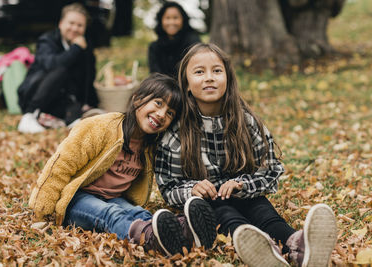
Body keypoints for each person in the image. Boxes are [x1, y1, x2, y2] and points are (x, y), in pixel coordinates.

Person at [154, 43, 337, 266]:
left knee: (264, 212)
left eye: (217, 71)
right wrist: (192, 189)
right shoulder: (176, 131)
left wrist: (242, 185)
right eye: (199, 72)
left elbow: (270, 171)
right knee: (226, 215)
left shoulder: (246, 122)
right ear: (187, 85)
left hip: (246, 194)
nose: (209, 77)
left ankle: (299, 245)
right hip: (209, 203)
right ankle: (263, 252)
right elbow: (168, 186)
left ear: (228, 79)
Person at [28, 73, 216, 256]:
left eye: (170, 113)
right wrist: (41, 212)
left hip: (113, 198)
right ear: (137, 99)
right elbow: (60, 166)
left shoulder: (151, 146)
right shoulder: (100, 127)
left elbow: (175, 170)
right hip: (77, 199)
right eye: (158, 103)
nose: (161, 114)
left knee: (139, 213)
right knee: (111, 214)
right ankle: (149, 239)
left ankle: (184, 233)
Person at [17, 3, 99, 133]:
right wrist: (75, 49)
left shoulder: (85, 46)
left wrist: (90, 103)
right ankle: (29, 116)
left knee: (76, 115)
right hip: (33, 94)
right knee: (61, 69)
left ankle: (68, 119)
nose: (75, 28)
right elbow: (53, 66)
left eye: (80, 25)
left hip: (60, 97)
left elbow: (88, 77)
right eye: (71, 23)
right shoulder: (47, 40)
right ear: (61, 23)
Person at [148, 1, 201, 78]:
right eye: (167, 18)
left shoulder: (193, 42)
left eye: (175, 18)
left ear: (183, 20)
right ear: (161, 21)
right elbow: (155, 75)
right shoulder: (154, 47)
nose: (171, 22)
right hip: (163, 88)